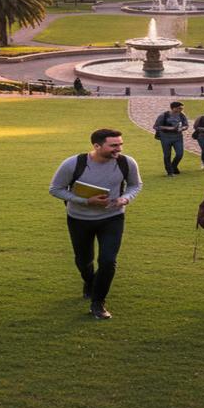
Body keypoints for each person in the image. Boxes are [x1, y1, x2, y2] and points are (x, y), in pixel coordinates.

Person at [48, 129, 143, 320]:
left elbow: (135, 185)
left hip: (112, 218)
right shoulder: (74, 164)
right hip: (79, 219)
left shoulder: (126, 162)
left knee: (108, 261)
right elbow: (55, 189)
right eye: (113, 145)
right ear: (97, 146)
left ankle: (98, 303)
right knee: (84, 260)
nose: (119, 149)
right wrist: (85, 201)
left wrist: (125, 199)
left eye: (120, 144)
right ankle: (89, 281)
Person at [152, 101, 189, 176]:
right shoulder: (164, 115)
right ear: (173, 108)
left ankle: (173, 166)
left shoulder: (182, 115)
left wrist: (182, 128)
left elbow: (186, 125)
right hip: (165, 137)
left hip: (178, 137)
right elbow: (156, 126)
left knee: (179, 154)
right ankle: (169, 171)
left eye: (182, 108)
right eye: (179, 108)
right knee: (167, 154)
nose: (181, 110)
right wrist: (170, 128)